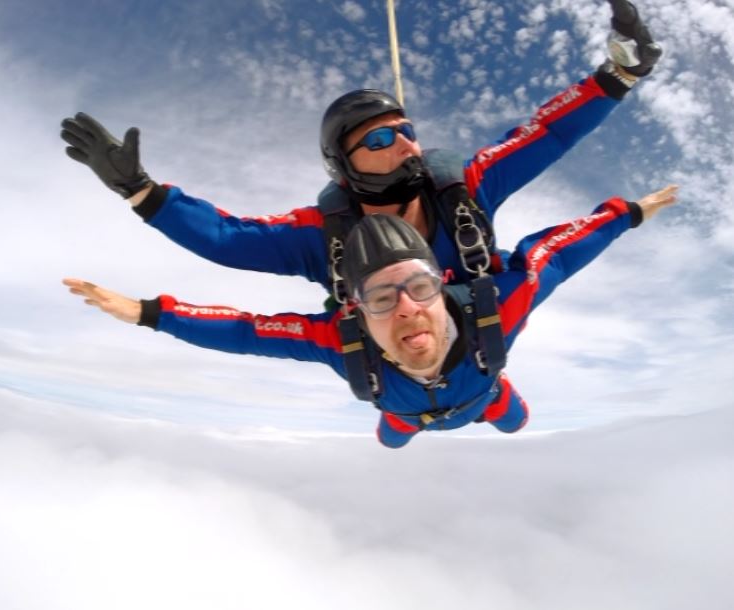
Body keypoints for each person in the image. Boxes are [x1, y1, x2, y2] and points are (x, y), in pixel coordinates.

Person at [60, 1, 662, 295]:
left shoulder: (467, 187)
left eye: (406, 130)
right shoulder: (325, 238)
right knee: (395, 429)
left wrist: (618, 76)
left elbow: (545, 134)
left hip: (478, 347)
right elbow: (228, 240)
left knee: (506, 411)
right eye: (379, 138)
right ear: (344, 165)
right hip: (392, 373)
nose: (402, 141)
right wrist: (141, 192)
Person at [63, 185, 678, 448]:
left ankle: (484, 409)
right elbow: (248, 333)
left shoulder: (499, 309)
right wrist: (149, 313)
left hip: (487, 397)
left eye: (418, 286)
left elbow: (558, 253)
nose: (407, 307)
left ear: (444, 287)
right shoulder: (341, 343)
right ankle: (404, 429)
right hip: (402, 415)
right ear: (357, 310)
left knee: (517, 422)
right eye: (382, 298)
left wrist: (627, 212)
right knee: (390, 438)